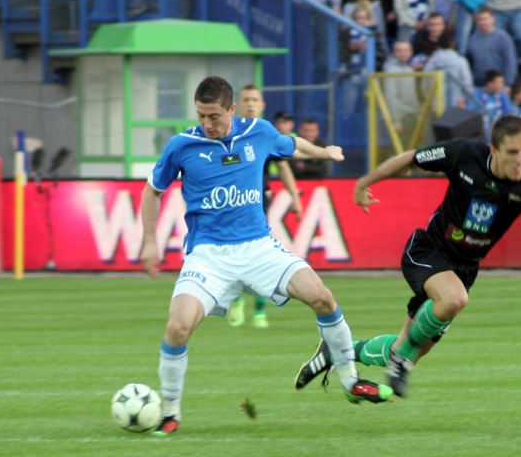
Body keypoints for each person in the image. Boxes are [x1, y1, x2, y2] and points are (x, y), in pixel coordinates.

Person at [141, 76, 391, 436]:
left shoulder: (258, 132)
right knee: (177, 327)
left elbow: (292, 144)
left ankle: (351, 381)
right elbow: (152, 190)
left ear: (232, 109)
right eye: (201, 116)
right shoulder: (182, 145)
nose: (207, 124)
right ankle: (170, 413)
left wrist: (325, 153)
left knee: (322, 297)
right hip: (208, 256)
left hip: (258, 248)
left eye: (214, 116)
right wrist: (150, 240)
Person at [294, 115, 521, 396]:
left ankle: (339, 351)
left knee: (409, 347)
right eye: (513, 152)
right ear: (494, 150)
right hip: (428, 250)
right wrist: (364, 182)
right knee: (453, 300)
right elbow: (411, 158)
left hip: (465, 269)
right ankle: (400, 360)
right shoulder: (464, 154)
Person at [226, 85, 304, 329]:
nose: (250, 104)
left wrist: (295, 198)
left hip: (259, 201)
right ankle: (236, 299)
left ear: (262, 105)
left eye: (255, 100)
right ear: (237, 105)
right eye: (246, 99)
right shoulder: (229, 132)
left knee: (257, 256)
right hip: (231, 202)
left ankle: (259, 311)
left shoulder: (265, 133)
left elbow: (282, 165)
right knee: (233, 254)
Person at [466, 6, 518, 86]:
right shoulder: (472, 39)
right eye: (480, 19)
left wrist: (508, 84)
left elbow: (510, 62)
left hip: (499, 85)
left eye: (485, 19)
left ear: (493, 19)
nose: (483, 22)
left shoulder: (503, 37)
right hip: (479, 85)